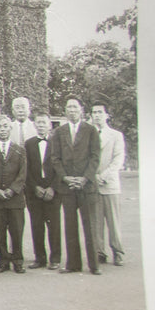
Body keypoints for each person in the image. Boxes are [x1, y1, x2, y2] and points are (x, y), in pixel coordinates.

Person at [49, 97, 101, 275]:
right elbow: (55, 158)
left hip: (86, 187)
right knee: (70, 226)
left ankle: (94, 265)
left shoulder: (91, 130)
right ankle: (73, 264)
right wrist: (65, 178)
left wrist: (84, 178)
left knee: (90, 226)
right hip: (67, 187)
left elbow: (95, 157)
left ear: (81, 110)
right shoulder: (59, 132)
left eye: (75, 107)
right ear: (65, 111)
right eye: (68, 107)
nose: (72, 110)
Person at [0, 115, 28, 273]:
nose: (2, 130)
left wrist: (11, 190)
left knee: (17, 231)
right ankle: (3, 260)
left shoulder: (20, 150)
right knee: (0, 231)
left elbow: (22, 175)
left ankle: (17, 260)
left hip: (15, 199)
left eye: (5, 126)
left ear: (11, 128)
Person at [90, 103, 127, 266]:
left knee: (113, 221)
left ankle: (118, 252)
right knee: (96, 222)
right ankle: (99, 252)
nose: (97, 115)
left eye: (100, 112)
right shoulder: (88, 134)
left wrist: (103, 176)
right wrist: (93, 176)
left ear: (107, 115)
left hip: (110, 184)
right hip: (93, 184)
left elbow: (118, 160)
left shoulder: (115, 135)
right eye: (94, 112)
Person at [24, 112, 60, 269]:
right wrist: (35, 187)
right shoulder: (29, 143)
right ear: (34, 125)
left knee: (54, 227)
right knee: (37, 226)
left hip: (53, 191)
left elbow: (61, 168)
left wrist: (53, 187)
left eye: (44, 122)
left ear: (50, 125)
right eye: (38, 122)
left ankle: (55, 259)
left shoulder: (57, 143)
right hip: (35, 192)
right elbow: (26, 169)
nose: (41, 125)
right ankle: (40, 258)